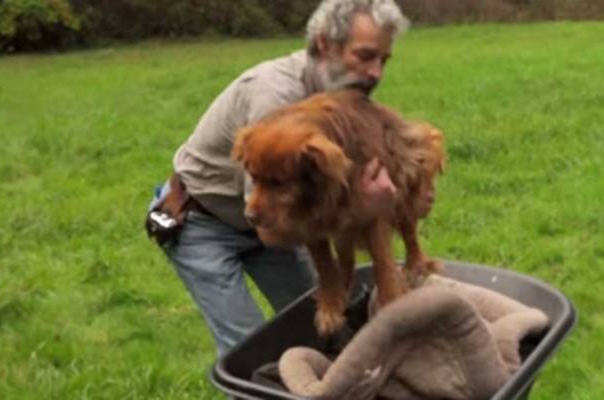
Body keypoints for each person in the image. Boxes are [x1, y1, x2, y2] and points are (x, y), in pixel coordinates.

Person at [149, 0, 413, 356]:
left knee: (322, 326)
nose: (376, 73)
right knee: (250, 349)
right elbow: (268, 226)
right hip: (203, 224)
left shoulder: (338, 100)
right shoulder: (275, 100)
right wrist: (365, 211)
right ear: (324, 45)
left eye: (383, 60)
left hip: (278, 223)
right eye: (364, 56)